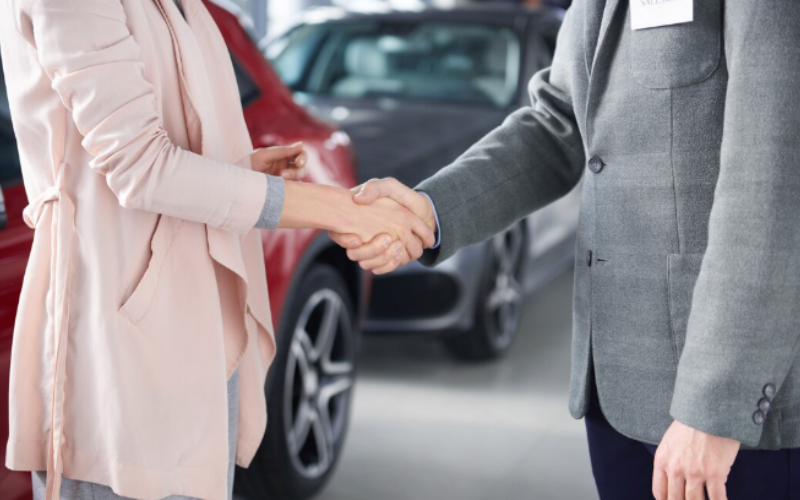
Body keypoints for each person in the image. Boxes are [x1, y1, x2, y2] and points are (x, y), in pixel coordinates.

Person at [331, 1, 800, 499]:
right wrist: (430, 211)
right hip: (614, 386)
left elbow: (772, 178)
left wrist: (714, 409)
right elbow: (557, 126)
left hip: (728, 414)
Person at [0, 0, 434, 499]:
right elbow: (141, 167)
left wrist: (238, 168)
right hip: (117, 343)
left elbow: (160, 136)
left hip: (202, 324)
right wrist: (344, 211)